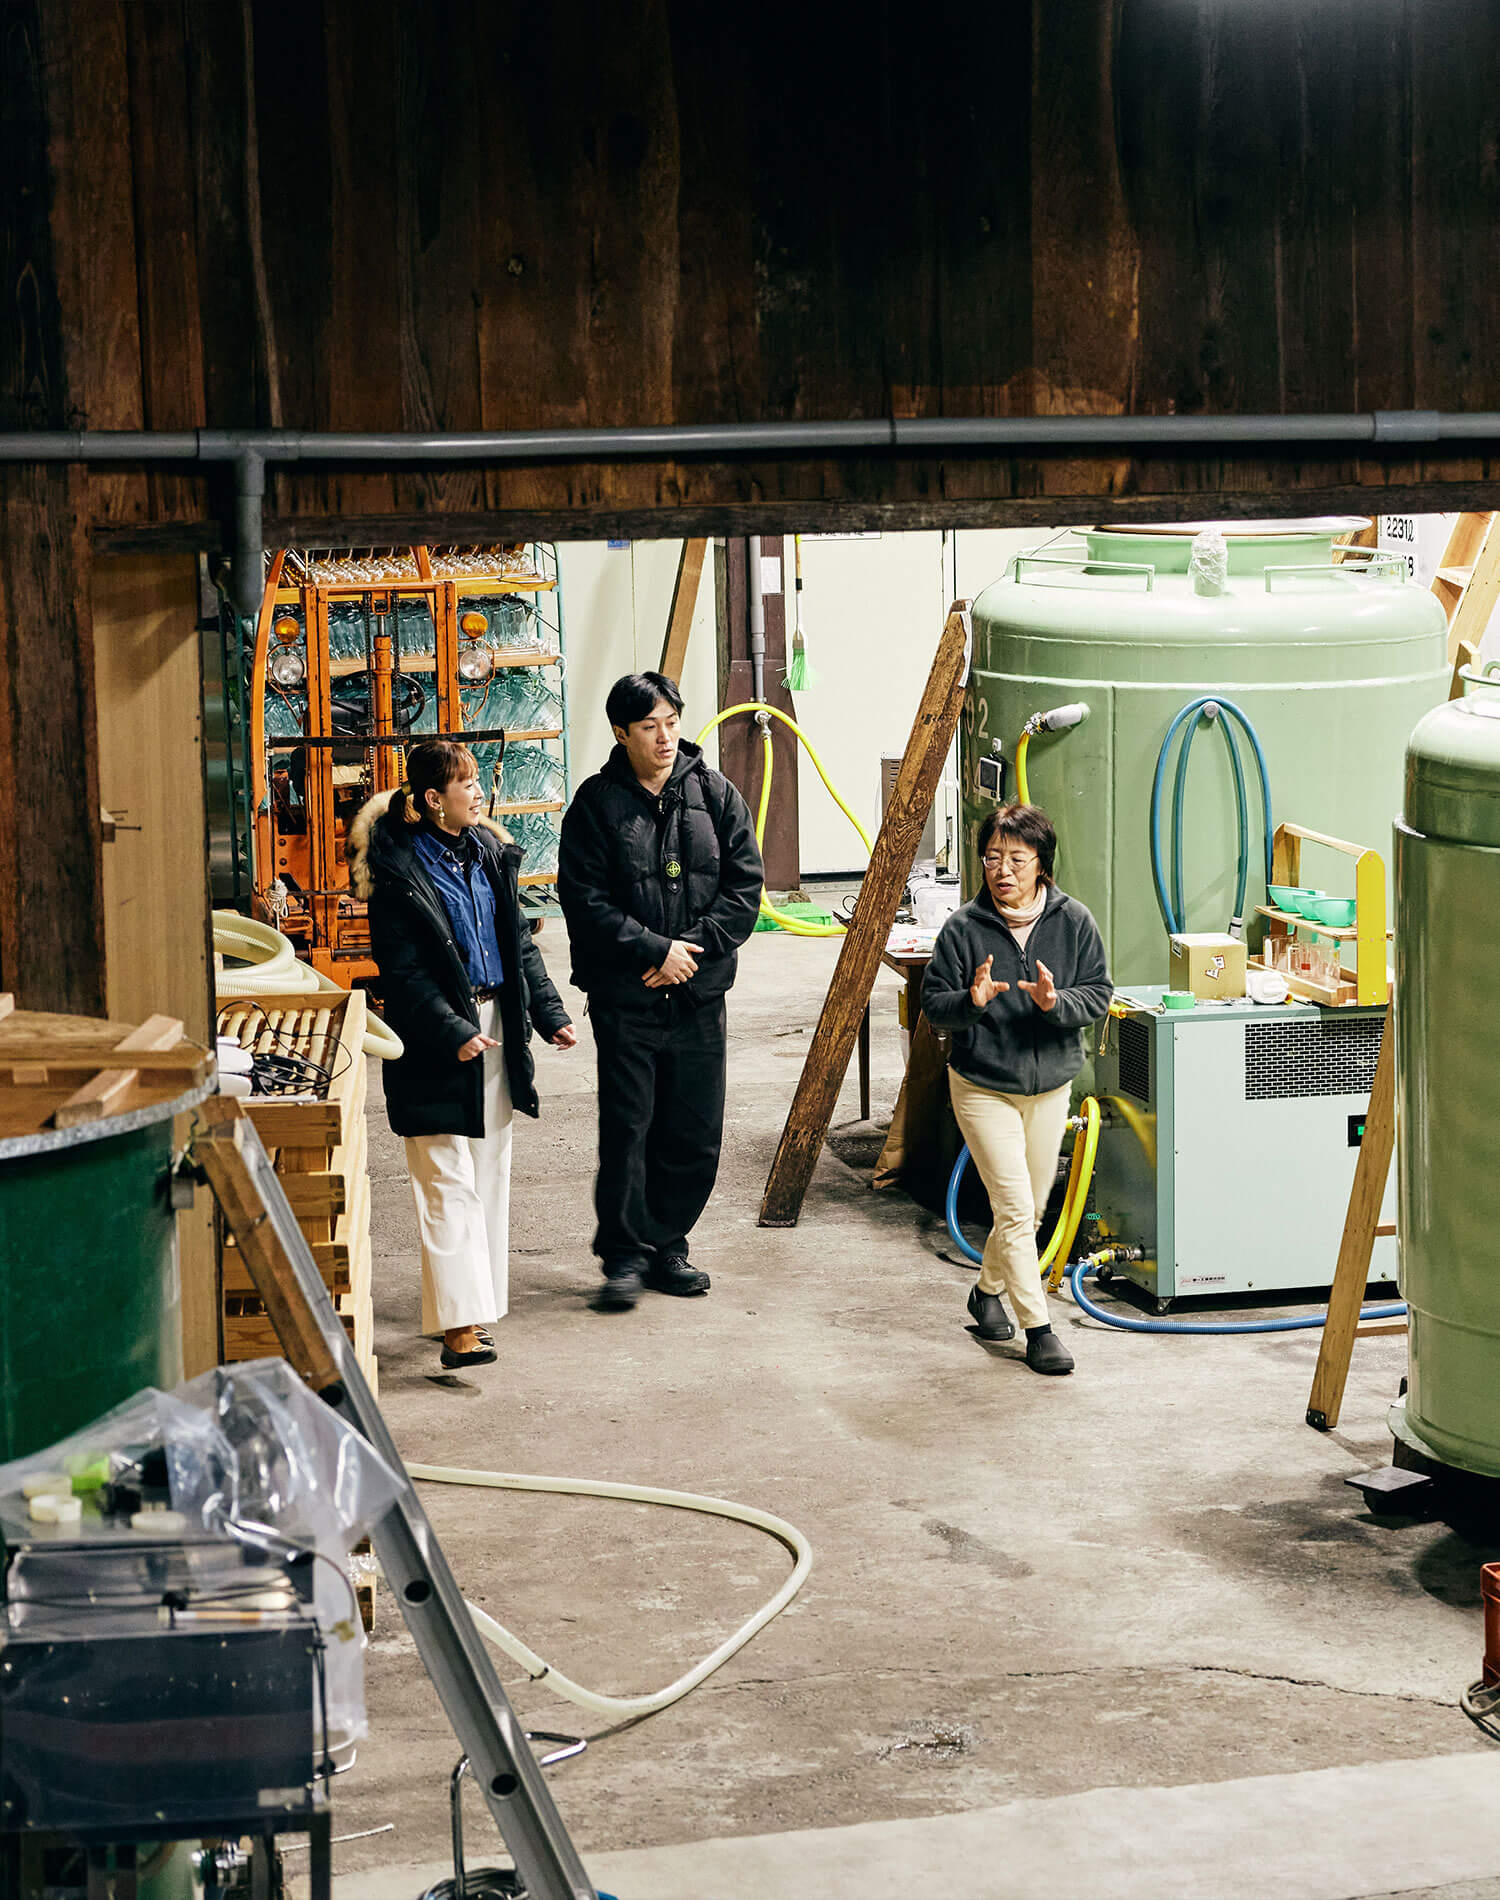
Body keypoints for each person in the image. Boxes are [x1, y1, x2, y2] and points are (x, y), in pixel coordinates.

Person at [349, 739, 576, 1371]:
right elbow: (403, 974)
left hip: (496, 1022)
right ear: (431, 800)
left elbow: (519, 949)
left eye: (478, 782)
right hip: (433, 1037)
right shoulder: (398, 873)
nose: (478, 793)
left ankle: (474, 1308)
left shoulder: (488, 854)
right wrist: (453, 1029)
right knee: (445, 1178)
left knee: (488, 1170)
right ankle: (459, 1327)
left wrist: (548, 1013)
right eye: (466, 784)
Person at [558, 671, 763, 1308]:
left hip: (698, 994)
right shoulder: (595, 805)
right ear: (622, 734)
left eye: (672, 722)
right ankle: (622, 1255)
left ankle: (667, 1242)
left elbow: (744, 890)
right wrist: (654, 951)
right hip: (628, 998)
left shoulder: (717, 794)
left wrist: (689, 953)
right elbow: (584, 902)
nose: (665, 737)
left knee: (694, 1129)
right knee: (629, 1128)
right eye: (650, 727)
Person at [921, 803, 1111, 1375]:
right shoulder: (962, 929)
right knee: (1012, 1204)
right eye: (993, 858)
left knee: (1027, 1214)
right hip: (983, 1085)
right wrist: (970, 1003)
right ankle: (1040, 1329)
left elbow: (1098, 992)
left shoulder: (1074, 921)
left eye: (1016, 859)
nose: (1002, 870)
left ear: (1041, 865)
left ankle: (986, 1292)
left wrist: (1057, 1004)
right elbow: (934, 1005)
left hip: (1051, 1084)